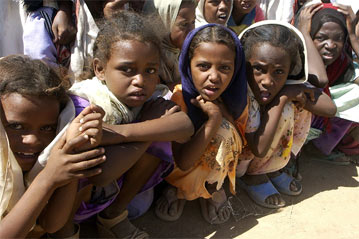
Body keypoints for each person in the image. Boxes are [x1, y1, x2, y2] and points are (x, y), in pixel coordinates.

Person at [62, 10, 194, 238]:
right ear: (100, 69)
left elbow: (185, 127)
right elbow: (100, 176)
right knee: (73, 169)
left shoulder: (152, 99)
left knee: (160, 135)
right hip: (72, 205)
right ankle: (65, 234)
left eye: (150, 70)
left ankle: (113, 217)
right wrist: (148, 128)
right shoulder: (86, 103)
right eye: (127, 70)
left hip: (112, 191)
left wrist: (117, 133)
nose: (140, 81)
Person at [0, 54, 105, 238]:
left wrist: (73, 148)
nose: (32, 140)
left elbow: (51, 224)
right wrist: (47, 179)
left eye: (47, 128)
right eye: (16, 126)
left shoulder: (50, 153)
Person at [236, 21, 336, 209]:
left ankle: (272, 168)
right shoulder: (243, 94)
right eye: (258, 69)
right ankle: (253, 176)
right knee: (285, 107)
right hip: (243, 160)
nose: (267, 81)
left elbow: (330, 109)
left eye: (279, 72)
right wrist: (281, 99)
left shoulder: (287, 84)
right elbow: (258, 149)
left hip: (266, 149)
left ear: (290, 70)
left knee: (299, 104)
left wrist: (292, 90)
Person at [155, 24, 248, 225]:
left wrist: (223, 115)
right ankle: (178, 188)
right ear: (188, 66)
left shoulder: (236, 100)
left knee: (227, 131)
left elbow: (240, 144)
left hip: (211, 169)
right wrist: (214, 119)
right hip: (181, 167)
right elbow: (183, 161)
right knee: (220, 129)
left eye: (224, 68)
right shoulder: (177, 100)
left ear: (236, 69)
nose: (214, 77)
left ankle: (213, 187)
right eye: (204, 66)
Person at [298, 3, 359, 165]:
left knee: (357, 92)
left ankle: (319, 147)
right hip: (294, 124)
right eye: (321, 37)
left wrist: (352, 35)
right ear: (309, 36)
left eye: (338, 38)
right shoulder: (295, 60)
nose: (331, 45)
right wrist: (303, 32)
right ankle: (289, 158)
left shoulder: (340, 63)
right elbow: (320, 79)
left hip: (317, 122)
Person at [143, 0, 197, 90]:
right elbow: (153, 93)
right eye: (184, 24)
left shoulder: (190, 51)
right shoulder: (149, 58)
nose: (192, 30)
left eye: (193, 22)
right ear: (162, 23)